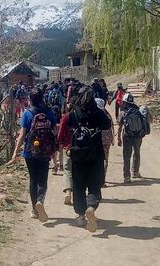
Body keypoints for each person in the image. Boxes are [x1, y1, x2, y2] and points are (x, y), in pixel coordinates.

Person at [61, 86, 111, 232]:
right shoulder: (98, 112)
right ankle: (91, 207)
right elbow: (107, 124)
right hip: (96, 155)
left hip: (78, 155)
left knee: (78, 186)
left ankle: (81, 215)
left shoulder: (73, 113)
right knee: (95, 185)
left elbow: (67, 124)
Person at [9, 87, 58, 223]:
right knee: (43, 180)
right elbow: (54, 134)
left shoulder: (27, 113)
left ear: (30, 99)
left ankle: (34, 210)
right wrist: (55, 156)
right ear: (43, 97)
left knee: (33, 180)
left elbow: (22, 135)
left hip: (30, 151)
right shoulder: (49, 113)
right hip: (45, 151)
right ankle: (40, 201)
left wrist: (15, 152)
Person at [117, 94, 149, 183]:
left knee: (127, 156)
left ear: (124, 102)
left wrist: (119, 138)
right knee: (137, 153)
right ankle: (135, 172)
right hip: (138, 136)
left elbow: (120, 126)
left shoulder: (123, 112)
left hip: (127, 136)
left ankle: (127, 176)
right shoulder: (138, 111)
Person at [95, 98, 115, 187]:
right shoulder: (107, 115)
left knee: (95, 160)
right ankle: (102, 180)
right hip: (106, 141)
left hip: (96, 141)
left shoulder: (93, 114)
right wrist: (112, 140)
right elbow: (111, 128)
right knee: (105, 160)